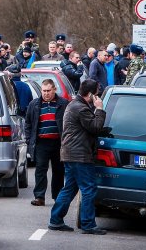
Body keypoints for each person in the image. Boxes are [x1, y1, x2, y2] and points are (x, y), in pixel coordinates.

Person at [48, 79, 110, 234]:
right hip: (79, 154)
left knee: (70, 188)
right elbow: (95, 127)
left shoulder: (75, 104)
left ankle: (55, 220)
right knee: (89, 188)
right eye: (96, 94)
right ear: (90, 94)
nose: (98, 97)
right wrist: (100, 109)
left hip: (71, 153)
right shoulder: (81, 108)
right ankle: (88, 224)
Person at [25, 79, 69, 207]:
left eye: (48, 91)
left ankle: (57, 197)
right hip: (41, 143)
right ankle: (39, 197)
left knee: (58, 170)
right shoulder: (34, 104)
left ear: (54, 89)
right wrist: (29, 140)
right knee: (40, 169)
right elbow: (28, 124)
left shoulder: (63, 104)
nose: (46, 94)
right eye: (44, 91)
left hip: (58, 142)